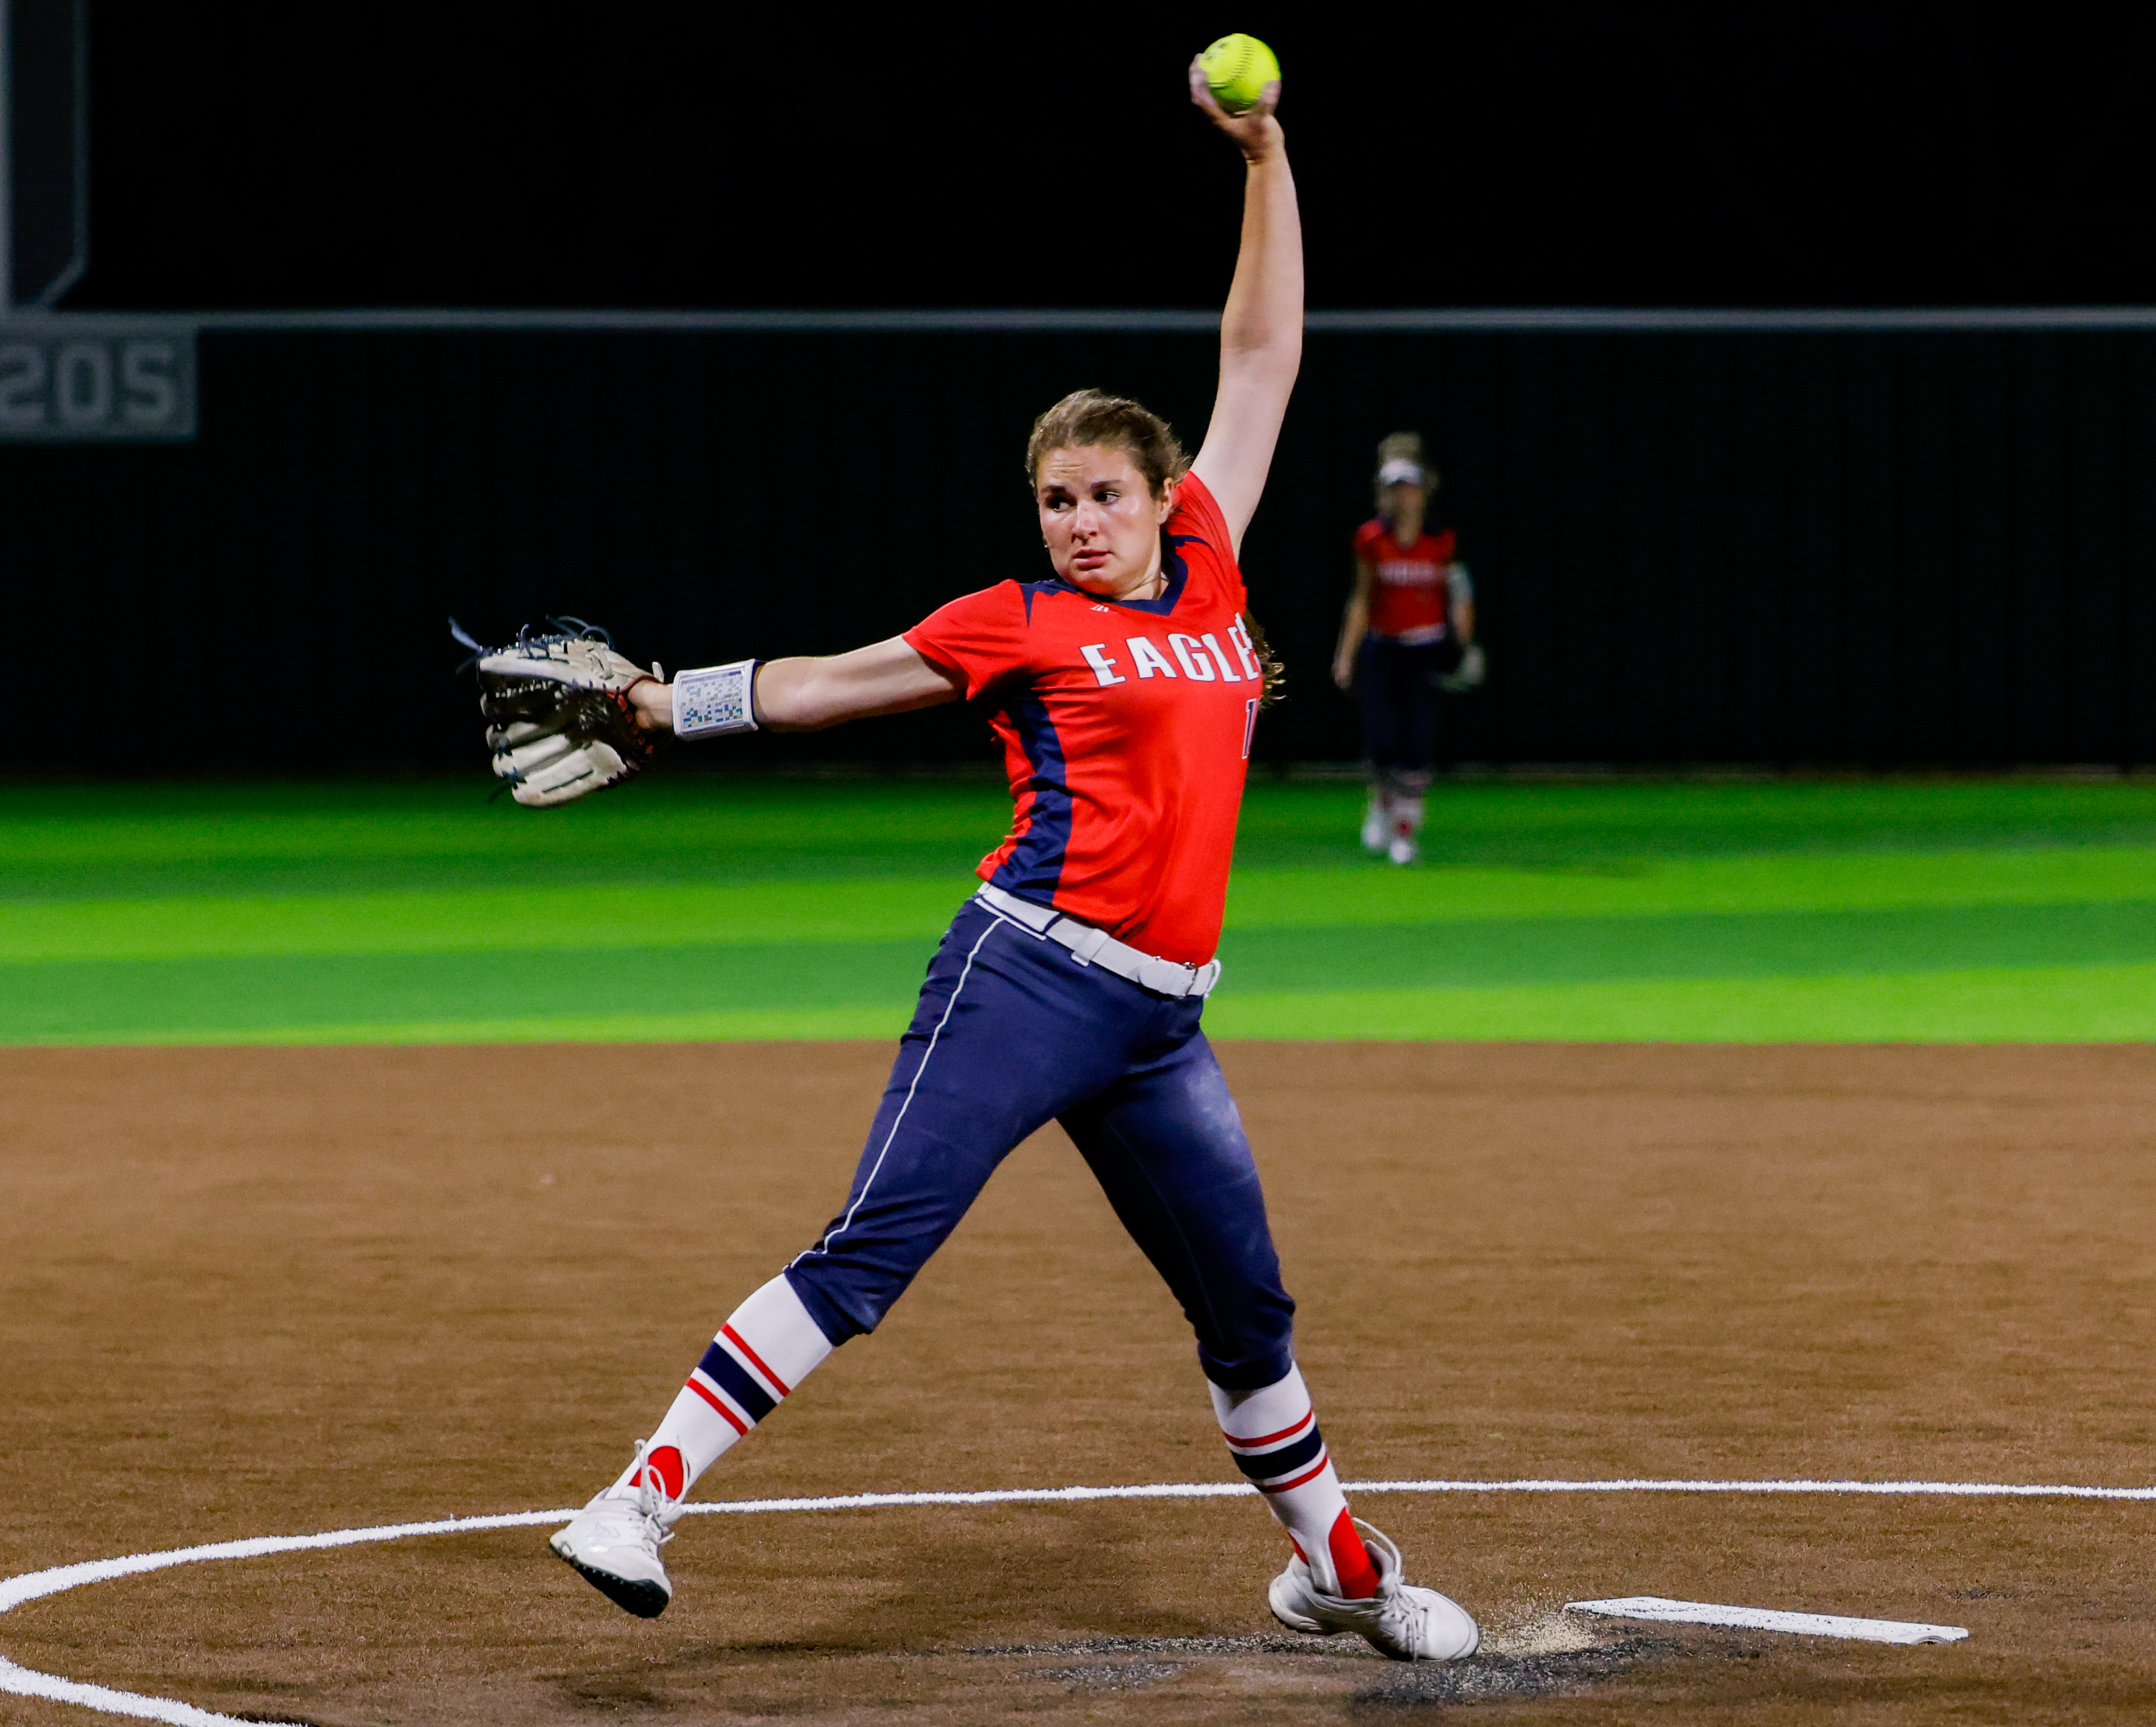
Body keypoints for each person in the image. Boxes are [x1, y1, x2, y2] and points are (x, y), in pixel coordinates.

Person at [508, 58, 1478, 1662]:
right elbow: (831, 682)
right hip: (1023, 975)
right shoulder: (1015, 621)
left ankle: (1337, 1572)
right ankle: (638, 1497)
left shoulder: (1209, 572)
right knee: (873, 1247)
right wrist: (655, 703)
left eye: (1102, 494)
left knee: (1245, 1311)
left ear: (1163, 496)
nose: (1077, 520)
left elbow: (1263, 353)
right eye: (1053, 500)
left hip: (1160, 1019)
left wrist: (1264, 160)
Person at [1330, 434, 1481, 865]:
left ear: (1424, 489)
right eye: (1395, 487)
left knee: (1416, 744)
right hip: (1383, 650)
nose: (1403, 495)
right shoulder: (1372, 539)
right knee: (1382, 741)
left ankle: (1404, 830)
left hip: (1425, 650)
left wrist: (1465, 645)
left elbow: (1459, 594)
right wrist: (1346, 655)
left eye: (1409, 486)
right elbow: (1361, 599)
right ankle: (1380, 804)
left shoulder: (1442, 539)